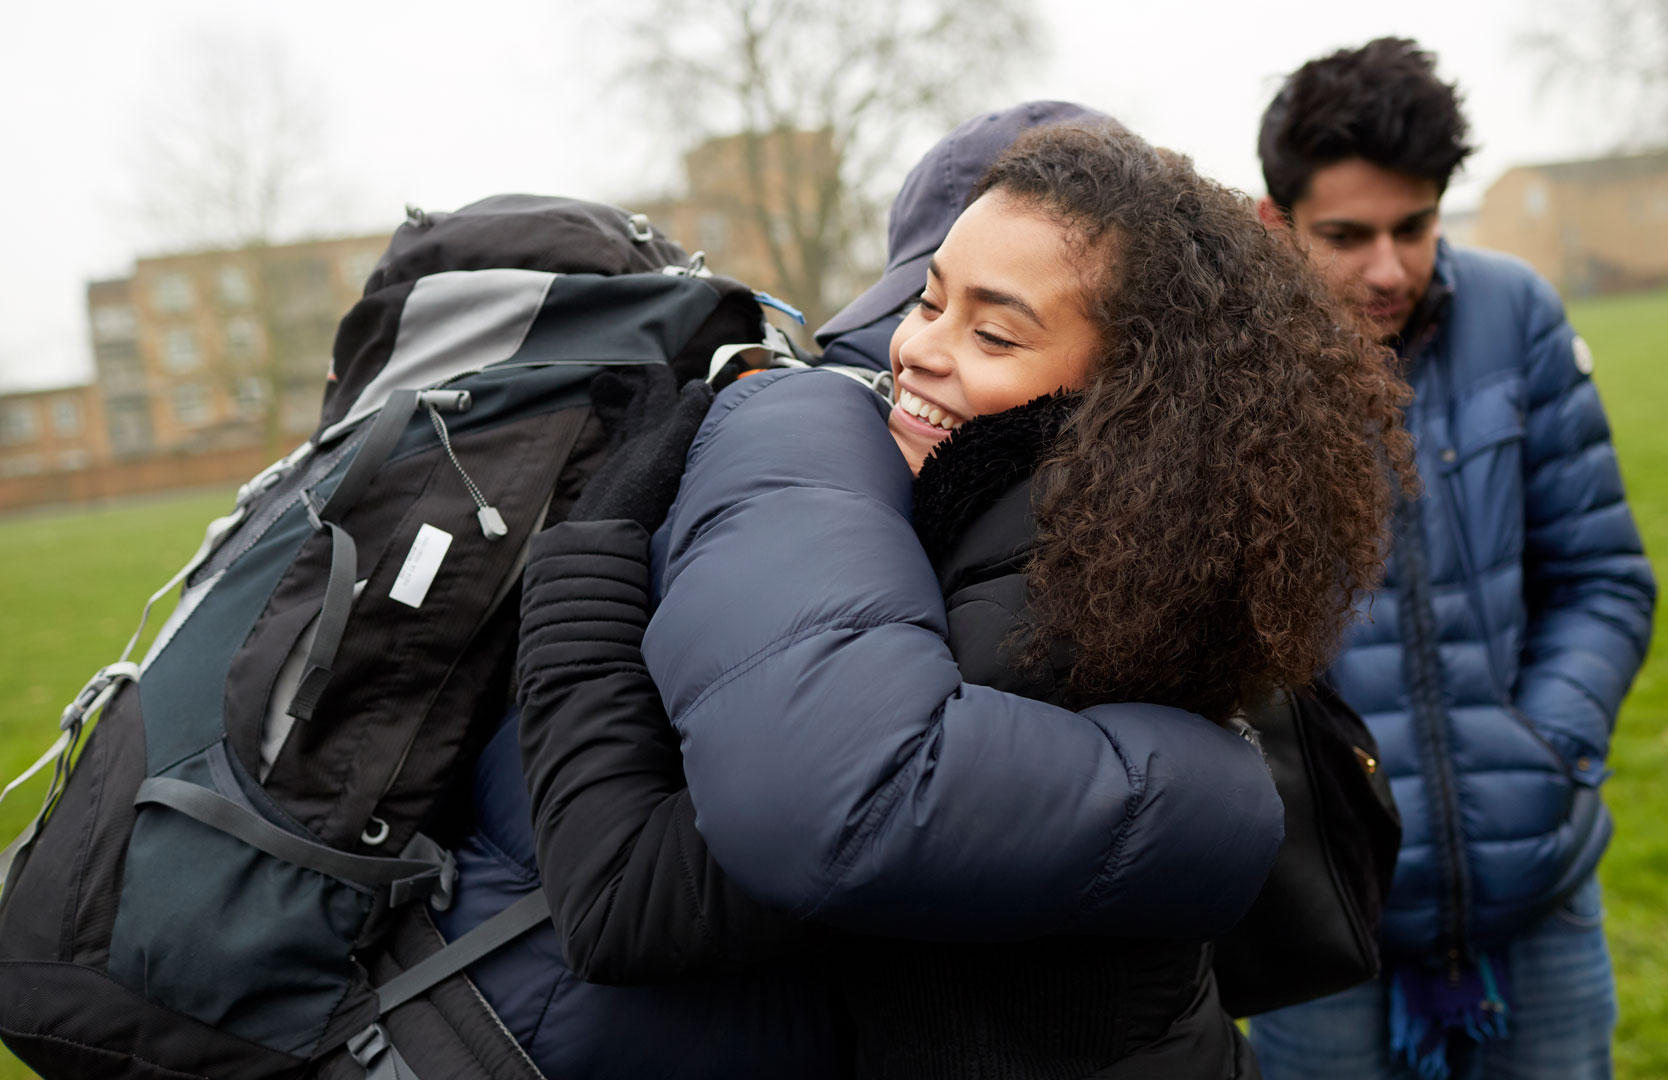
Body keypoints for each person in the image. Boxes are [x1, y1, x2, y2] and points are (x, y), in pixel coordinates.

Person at [433, 104, 1357, 1077]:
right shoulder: (1124, 566)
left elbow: (624, 896)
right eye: (928, 299)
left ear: (1138, 398)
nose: (917, 348)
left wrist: (588, 561)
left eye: (994, 334)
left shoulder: (1023, 637)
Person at [1244, 38, 1658, 1080]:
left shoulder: (1517, 313)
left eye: (1415, 226)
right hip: (1317, 918)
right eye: (1347, 235)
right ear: (1273, 222)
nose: (1389, 267)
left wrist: (1546, 750)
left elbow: (1603, 578)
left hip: (1536, 881)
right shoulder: (1220, 371)